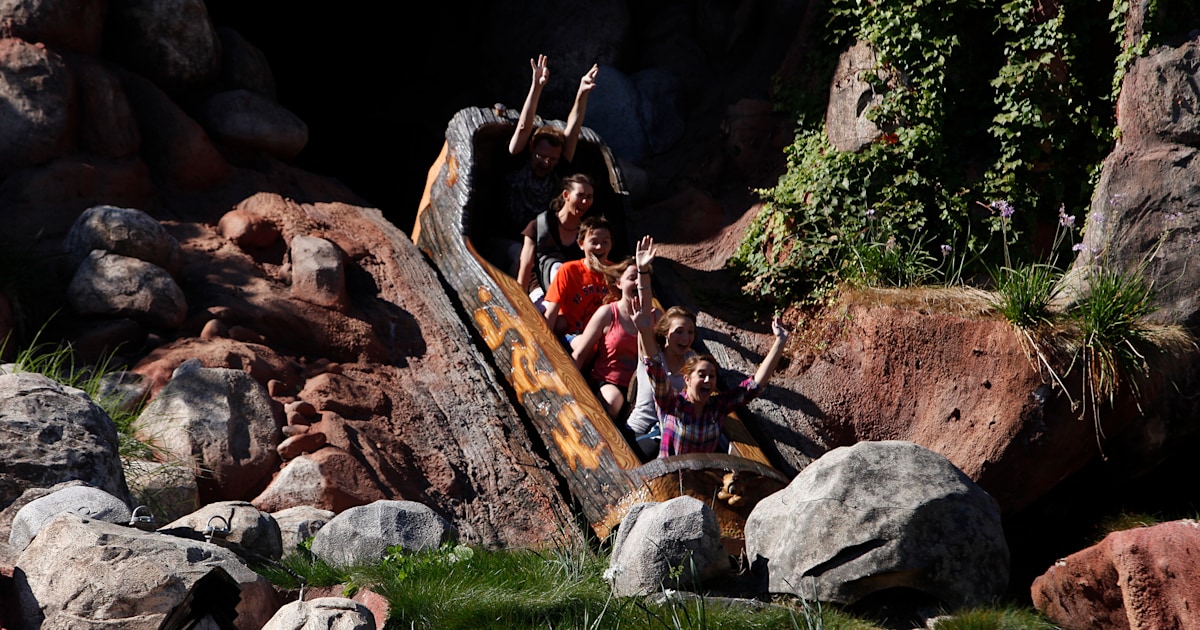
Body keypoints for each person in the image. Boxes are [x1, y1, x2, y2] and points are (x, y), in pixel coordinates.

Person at [633, 242, 788, 457]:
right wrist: (642, 272)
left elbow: (753, 386)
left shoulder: (716, 406)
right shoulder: (671, 403)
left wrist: (779, 342)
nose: (707, 380)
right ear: (686, 379)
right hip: (644, 431)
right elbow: (652, 357)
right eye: (679, 331)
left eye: (711, 376)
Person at [491, 56, 599, 275]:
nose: (547, 162)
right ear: (532, 148)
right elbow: (523, 126)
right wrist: (537, 86)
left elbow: (573, 129)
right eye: (542, 156)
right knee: (519, 256)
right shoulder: (518, 159)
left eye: (553, 159)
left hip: (542, 243)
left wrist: (582, 92)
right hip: (506, 239)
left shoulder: (558, 170)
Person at [572, 237, 660, 418]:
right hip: (607, 383)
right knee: (614, 399)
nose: (637, 283)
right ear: (619, 283)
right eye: (631, 278)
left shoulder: (656, 317)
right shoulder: (607, 313)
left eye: (641, 280)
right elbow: (580, 353)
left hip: (640, 391)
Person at [625, 306, 698, 458]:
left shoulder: (691, 359)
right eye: (679, 331)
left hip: (671, 432)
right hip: (640, 429)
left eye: (690, 332)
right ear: (666, 333)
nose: (686, 338)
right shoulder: (653, 353)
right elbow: (645, 333)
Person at [517, 173, 594, 299]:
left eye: (589, 197)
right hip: (541, 290)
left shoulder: (587, 231)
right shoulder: (539, 225)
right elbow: (525, 266)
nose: (585, 201)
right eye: (580, 195)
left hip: (573, 294)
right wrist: (520, 300)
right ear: (566, 195)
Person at [543, 215, 613, 337]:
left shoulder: (615, 273)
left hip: (604, 336)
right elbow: (552, 311)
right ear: (581, 244)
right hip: (574, 334)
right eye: (594, 242)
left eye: (605, 242)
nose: (599, 247)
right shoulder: (568, 270)